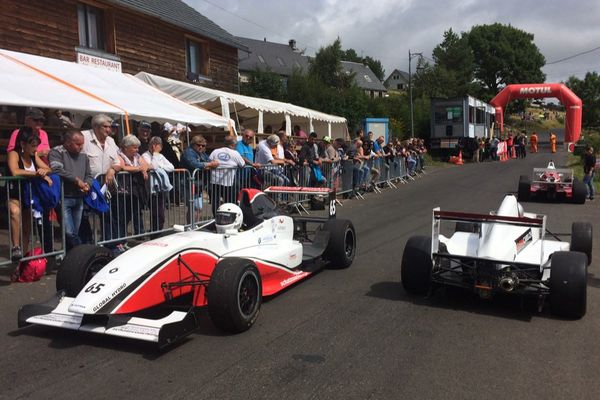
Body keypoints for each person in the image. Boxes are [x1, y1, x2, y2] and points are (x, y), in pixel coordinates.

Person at [7, 127, 53, 260]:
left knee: (27, 228)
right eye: (33, 146)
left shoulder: (34, 155)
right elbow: (15, 171)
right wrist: (37, 174)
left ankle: (22, 260)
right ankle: (16, 246)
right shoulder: (14, 154)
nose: (35, 149)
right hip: (14, 193)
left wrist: (44, 172)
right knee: (15, 212)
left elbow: (47, 168)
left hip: (29, 195)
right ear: (22, 144)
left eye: (36, 146)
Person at [80, 114, 122, 244]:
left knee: (107, 215)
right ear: (95, 127)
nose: (109, 130)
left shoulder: (111, 141)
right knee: (84, 216)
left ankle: (110, 244)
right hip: (87, 184)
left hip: (105, 185)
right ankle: (87, 244)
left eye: (110, 127)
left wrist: (112, 169)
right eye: (105, 127)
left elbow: (118, 162)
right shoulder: (84, 137)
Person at [49, 130, 93, 250]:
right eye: (78, 144)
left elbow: (89, 174)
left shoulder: (84, 155)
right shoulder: (56, 151)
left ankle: (71, 260)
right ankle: (81, 252)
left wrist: (87, 184)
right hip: (64, 198)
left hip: (79, 197)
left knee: (75, 231)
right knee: (69, 232)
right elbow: (57, 169)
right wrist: (76, 180)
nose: (81, 147)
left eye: (82, 144)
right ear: (68, 142)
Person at [114, 135, 150, 249]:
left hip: (133, 190)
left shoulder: (137, 156)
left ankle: (123, 240)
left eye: (137, 148)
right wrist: (138, 169)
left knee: (129, 215)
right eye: (134, 148)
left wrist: (143, 168)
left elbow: (145, 164)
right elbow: (122, 167)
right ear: (126, 147)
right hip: (121, 190)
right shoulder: (119, 155)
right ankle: (119, 241)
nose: (137, 150)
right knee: (121, 216)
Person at [181, 135, 219, 224]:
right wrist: (208, 165)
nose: (201, 147)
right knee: (193, 207)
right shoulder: (188, 152)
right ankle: (191, 226)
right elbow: (194, 164)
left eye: (203, 145)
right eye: (198, 145)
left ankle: (195, 225)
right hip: (189, 183)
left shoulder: (202, 153)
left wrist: (210, 164)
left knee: (199, 208)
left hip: (198, 184)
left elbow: (211, 162)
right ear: (193, 144)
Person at [142, 136, 175, 233]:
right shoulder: (145, 156)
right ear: (154, 146)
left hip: (161, 188)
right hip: (151, 188)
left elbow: (171, 167)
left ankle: (158, 231)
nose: (160, 148)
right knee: (156, 212)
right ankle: (155, 233)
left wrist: (160, 166)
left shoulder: (161, 156)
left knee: (161, 213)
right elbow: (152, 166)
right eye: (159, 146)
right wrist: (155, 155)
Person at [208, 135, 245, 216]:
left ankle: (216, 218)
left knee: (215, 202)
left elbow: (209, 161)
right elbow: (242, 164)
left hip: (214, 181)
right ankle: (229, 218)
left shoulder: (215, 151)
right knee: (230, 202)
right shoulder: (235, 153)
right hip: (228, 182)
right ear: (233, 145)